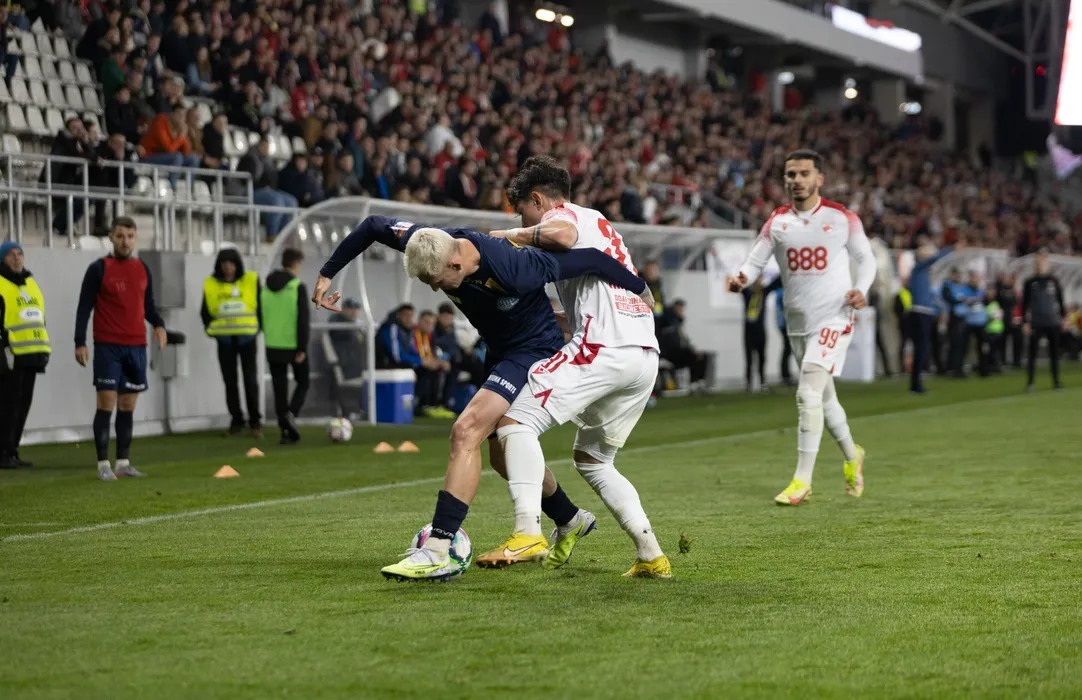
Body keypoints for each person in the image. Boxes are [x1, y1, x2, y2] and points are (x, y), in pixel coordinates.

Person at [311, 215, 641, 582]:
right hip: (500, 351)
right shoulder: (429, 242)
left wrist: (641, 290)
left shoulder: (515, 266)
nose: (435, 290)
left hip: (534, 349)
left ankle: (436, 550)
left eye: (437, 281)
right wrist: (326, 274)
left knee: (465, 430)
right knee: (501, 458)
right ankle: (570, 518)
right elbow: (373, 226)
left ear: (455, 264)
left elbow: (592, 259)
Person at [473, 155, 671, 577]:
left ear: (539, 200)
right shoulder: (599, 223)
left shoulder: (565, 217)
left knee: (513, 421)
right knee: (594, 460)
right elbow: (589, 300)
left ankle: (527, 531)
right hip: (642, 354)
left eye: (522, 211)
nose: (520, 220)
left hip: (605, 346)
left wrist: (510, 236)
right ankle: (651, 554)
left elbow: (559, 233)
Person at [727, 149, 875, 506]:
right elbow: (754, 262)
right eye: (791, 174)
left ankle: (802, 481)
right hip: (797, 322)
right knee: (824, 399)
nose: (797, 180)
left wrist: (862, 289)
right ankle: (853, 455)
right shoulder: (777, 222)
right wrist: (741, 278)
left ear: (819, 178)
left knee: (807, 394)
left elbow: (866, 258)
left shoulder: (842, 217)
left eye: (804, 173)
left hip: (835, 316)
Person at [74, 217, 168, 480]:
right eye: (120, 236)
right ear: (111, 238)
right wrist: (79, 342)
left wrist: (159, 325)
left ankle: (123, 462)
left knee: (127, 405)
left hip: (136, 346)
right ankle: (103, 464)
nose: (125, 241)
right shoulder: (98, 269)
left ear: (135, 238)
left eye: (130, 236)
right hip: (108, 346)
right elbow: (84, 308)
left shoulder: (142, 269)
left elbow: (148, 306)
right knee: (106, 402)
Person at [200, 247, 262, 437]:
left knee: (250, 380)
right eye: (224, 264)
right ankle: (237, 421)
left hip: (247, 338)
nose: (228, 267)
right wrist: (211, 331)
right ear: (219, 265)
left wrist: (258, 328)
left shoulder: (250, 280)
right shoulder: (211, 283)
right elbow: (205, 311)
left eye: (231, 263)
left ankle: (255, 422)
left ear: (237, 265)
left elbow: (261, 306)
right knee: (230, 382)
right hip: (225, 340)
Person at [0, 242, 50, 469]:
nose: (16, 258)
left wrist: (43, 349)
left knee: (22, 404)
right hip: (10, 354)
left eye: (19, 254)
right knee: (7, 405)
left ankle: (12, 450)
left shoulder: (31, 283)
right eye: (10, 254)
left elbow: (39, 317)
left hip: (31, 353)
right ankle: (2, 452)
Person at [262, 248, 310, 444]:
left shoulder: (266, 287)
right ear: (296, 263)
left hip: (272, 344)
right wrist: (302, 348)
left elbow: (260, 314)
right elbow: (303, 320)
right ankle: (291, 415)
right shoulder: (297, 286)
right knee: (303, 381)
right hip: (293, 345)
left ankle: (284, 430)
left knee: (279, 388)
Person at [906, 236, 958, 394]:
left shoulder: (923, 274)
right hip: (919, 313)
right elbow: (935, 259)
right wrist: (951, 249)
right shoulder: (918, 269)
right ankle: (916, 384)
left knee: (923, 348)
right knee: (920, 348)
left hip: (926, 313)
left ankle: (916, 383)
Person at [1022, 249, 1066, 391]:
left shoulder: (1054, 281)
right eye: (1039, 262)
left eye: (1044, 262)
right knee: (1032, 354)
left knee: (1054, 353)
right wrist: (1025, 322)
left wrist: (1064, 318)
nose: (1041, 265)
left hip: (1052, 321)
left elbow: (1060, 301)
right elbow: (1025, 304)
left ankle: (1056, 381)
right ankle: (1030, 382)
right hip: (1036, 322)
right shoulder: (1030, 282)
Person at [742, 276, 782, 392]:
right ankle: (748, 382)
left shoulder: (764, 292)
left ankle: (762, 381)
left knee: (762, 357)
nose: (759, 282)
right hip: (749, 331)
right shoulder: (748, 293)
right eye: (757, 280)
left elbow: (776, 282)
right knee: (749, 358)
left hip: (760, 330)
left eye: (760, 280)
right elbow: (739, 284)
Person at [656, 300, 710, 385]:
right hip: (670, 354)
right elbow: (673, 342)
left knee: (702, 356)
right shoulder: (668, 322)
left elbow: (684, 340)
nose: (681, 311)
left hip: (678, 351)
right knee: (693, 356)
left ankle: (698, 381)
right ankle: (694, 382)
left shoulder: (677, 324)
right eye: (679, 308)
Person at [413, 310, 455, 418]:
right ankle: (422, 404)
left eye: (431, 323)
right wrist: (422, 361)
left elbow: (432, 353)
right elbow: (409, 353)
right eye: (426, 322)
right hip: (413, 364)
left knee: (447, 368)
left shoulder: (430, 336)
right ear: (419, 321)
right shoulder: (412, 334)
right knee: (429, 371)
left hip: (425, 363)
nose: (429, 326)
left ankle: (440, 404)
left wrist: (440, 361)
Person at [942, 268, 970, 378]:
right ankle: (953, 368)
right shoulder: (947, 286)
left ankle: (957, 367)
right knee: (955, 344)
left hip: (962, 318)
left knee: (960, 344)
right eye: (956, 275)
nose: (958, 277)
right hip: (954, 318)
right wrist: (962, 300)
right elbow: (949, 299)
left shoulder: (961, 287)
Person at [963, 271, 989, 377]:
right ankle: (962, 368)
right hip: (969, 322)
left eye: (977, 278)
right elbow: (965, 302)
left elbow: (984, 304)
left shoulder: (981, 291)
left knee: (982, 347)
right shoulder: (965, 290)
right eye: (973, 278)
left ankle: (983, 369)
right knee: (965, 346)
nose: (975, 280)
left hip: (981, 323)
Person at [984, 285, 1005, 374]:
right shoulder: (986, 305)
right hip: (991, 330)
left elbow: (998, 316)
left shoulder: (996, 304)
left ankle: (996, 366)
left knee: (995, 350)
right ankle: (992, 366)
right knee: (992, 350)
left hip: (997, 330)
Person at [776, 288, 794, 385]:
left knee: (788, 349)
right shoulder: (782, 292)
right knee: (787, 349)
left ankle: (786, 374)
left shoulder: (781, 291)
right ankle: (785, 375)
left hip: (786, 324)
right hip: (785, 325)